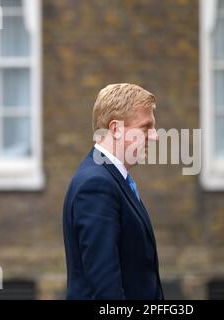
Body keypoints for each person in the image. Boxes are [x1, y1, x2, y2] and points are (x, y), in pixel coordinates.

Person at [63, 83, 164, 300]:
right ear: (116, 128)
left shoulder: (112, 179)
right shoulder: (96, 185)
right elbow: (105, 288)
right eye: (146, 127)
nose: (155, 136)